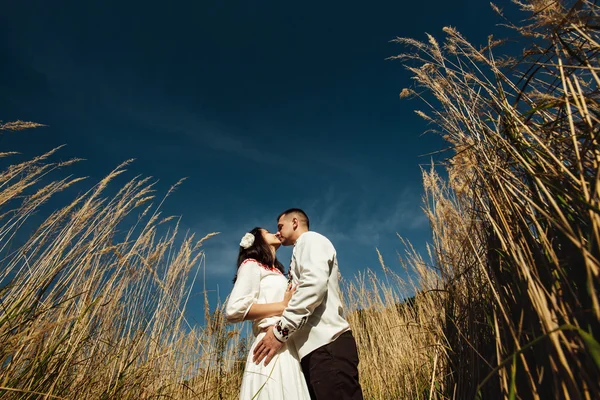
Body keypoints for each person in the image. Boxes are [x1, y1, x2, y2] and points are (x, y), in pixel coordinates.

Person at [252, 209, 363, 400]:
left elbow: (313, 286)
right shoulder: (300, 249)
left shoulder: (310, 240)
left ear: (294, 222)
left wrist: (280, 332)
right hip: (316, 351)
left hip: (327, 345)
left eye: (280, 227)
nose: (278, 232)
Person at [225, 227, 311, 400]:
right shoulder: (251, 264)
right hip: (268, 341)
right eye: (267, 231)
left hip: (287, 342)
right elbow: (233, 310)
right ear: (257, 239)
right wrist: (283, 306)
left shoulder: (278, 272)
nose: (274, 232)